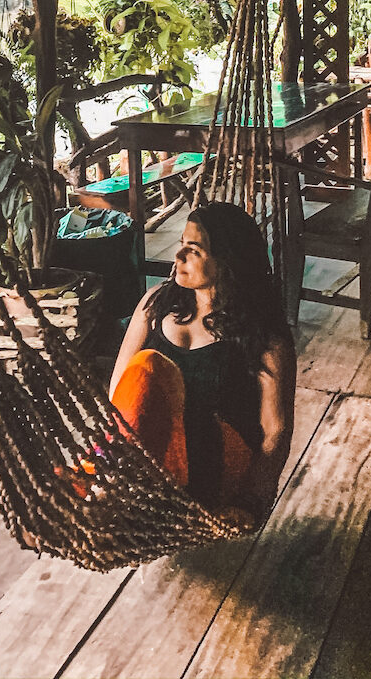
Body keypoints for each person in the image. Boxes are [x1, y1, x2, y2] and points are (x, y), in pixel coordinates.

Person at [109, 202, 296, 528]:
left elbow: (275, 433)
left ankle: (111, 491)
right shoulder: (155, 304)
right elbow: (120, 392)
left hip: (215, 466)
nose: (178, 256)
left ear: (226, 261)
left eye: (192, 250)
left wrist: (251, 500)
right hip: (151, 456)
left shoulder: (263, 337)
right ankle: (109, 488)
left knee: (151, 365)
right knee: (143, 373)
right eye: (181, 244)